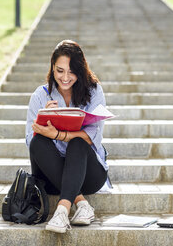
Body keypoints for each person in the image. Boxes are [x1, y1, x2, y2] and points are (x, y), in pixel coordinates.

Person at [25, 40, 112, 234]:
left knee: (79, 142)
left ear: (81, 71)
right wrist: (44, 120)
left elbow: (92, 137)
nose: (65, 77)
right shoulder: (40, 95)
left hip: (88, 175)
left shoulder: (94, 91)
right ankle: (81, 204)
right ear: (52, 69)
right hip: (50, 177)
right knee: (38, 141)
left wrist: (58, 134)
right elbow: (31, 142)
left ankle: (62, 211)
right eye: (60, 70)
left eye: (72, 71)